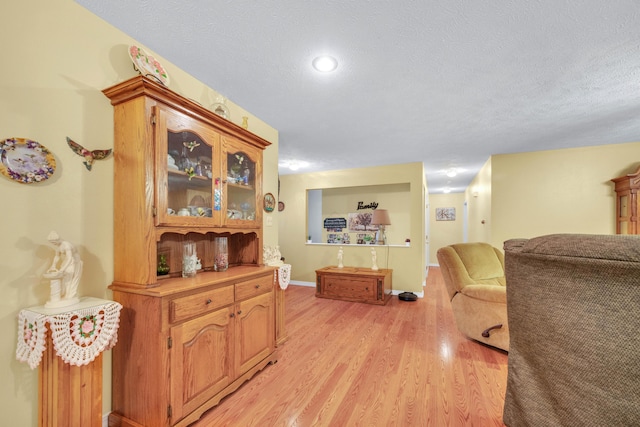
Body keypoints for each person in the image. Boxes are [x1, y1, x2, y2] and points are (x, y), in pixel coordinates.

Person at [47, 231, 83, 300]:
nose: (53, 244)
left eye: (54, 242)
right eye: (52, 243)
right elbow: (57, 256)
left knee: (69, 278)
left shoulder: (66, 245)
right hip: (67, 261)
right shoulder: (58, 246)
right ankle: (65, 293)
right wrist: (53, 265)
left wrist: (62, 269)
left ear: (58, 239)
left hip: (74, 262)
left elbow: (70, 258)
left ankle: (69, 295)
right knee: (65, 279)